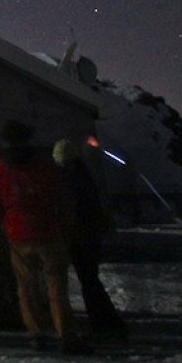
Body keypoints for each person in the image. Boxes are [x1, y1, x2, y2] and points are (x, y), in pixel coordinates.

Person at [0, 120, 84, 353]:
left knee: (26, 284)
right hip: (47, 227)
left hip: (17, 229)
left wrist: (4, 222)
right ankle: (65, 333)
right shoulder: (43, 163)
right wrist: (65, 222)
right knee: (56, 283)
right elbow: (60, 193)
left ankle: (36, 332)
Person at [55, 138, 128, 342]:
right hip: (89, 233)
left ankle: (104, 322)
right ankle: (104, 321)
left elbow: (74, 207)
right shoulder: (82, 173)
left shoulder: (70, 177)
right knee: (90, 279)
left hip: (81, 234)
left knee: (88, 280)